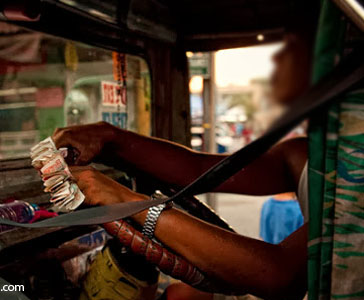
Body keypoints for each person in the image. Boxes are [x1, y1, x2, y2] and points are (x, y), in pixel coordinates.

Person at [51, 26, 315, 299]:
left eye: (295, 47)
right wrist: (110, 136)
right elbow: (198, 170)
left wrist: (125, 201)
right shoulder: (306, 154)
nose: (277, 61)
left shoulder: (353, 173)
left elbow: (281, 275)